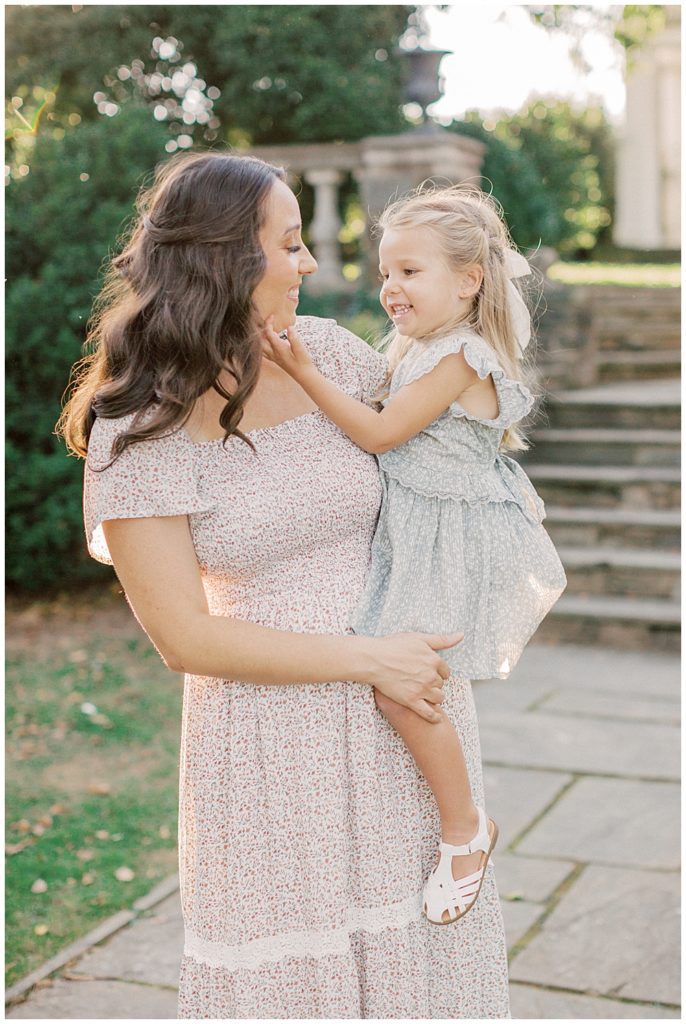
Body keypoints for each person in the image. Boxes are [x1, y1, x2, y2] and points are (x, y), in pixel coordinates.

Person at [57, 151, 512, 1018]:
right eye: (291, 244)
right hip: (271, 741)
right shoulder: (137, 427)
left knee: (424, 966)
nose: (309, 264)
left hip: (406, 715)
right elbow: (184, 637)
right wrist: (367, 657)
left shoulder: (334, 355)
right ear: (224, 259)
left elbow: (443, 452)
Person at [262, 184, 567, 928]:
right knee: (400, 679)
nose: (391, 288)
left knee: (400, 684)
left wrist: (303, 371)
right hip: (422, 527)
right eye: (386, 272)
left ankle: (466, 830)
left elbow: (377, 433)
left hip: (452, 539)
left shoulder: (462, 355)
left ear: (468, 281)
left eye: (410, 272)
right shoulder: (420, 345)